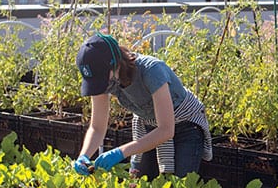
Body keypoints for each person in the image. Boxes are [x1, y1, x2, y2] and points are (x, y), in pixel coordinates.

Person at [72, 32, 212, 179]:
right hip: (148, 124)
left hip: (185, 125)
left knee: (179, 187)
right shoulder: (103, 80)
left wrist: (119, 152)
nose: (99, 84)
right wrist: (84, 155)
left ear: (115, 63)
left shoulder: (152, 71)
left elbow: (166, 130)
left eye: (100, 78)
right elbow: (97, 127)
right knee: (138, 184)